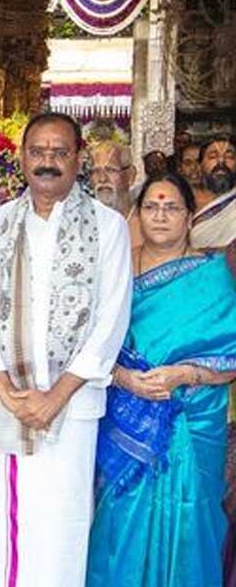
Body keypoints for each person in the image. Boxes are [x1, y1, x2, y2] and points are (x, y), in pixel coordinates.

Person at [0, 113, 132, 586]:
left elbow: (110, 320)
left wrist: (56, 396)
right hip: (12, 401)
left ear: (79, 158)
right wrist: (5, 387)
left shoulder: (108, 227)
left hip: (73, 404)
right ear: (21, 158)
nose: (48, 162)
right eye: (38, 152)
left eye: (59, 153)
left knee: (63, 521)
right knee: (10, 522)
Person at [86, 173, 236, 586]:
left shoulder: (213, 276)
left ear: (190, 217)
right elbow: (87, 344)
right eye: (151, 207)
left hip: (193, 417)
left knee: (190, 515)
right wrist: (123, 378)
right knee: (119, 516)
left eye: (172, 208)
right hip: (123, 417)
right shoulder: (115, 269)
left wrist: (184, 374)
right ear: (138, 214)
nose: (161, 216)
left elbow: (232, 356)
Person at [88, 141, 140, 245]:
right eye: (96, 171)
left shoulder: (146, 223)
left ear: (131, 176)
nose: (102, 179)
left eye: (110, 170)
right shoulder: (83, 222)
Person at [191, 138, 236, 249]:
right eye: (212, 157)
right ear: (200, 165)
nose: (221, 161)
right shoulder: (185, 201)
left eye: (229, 157)